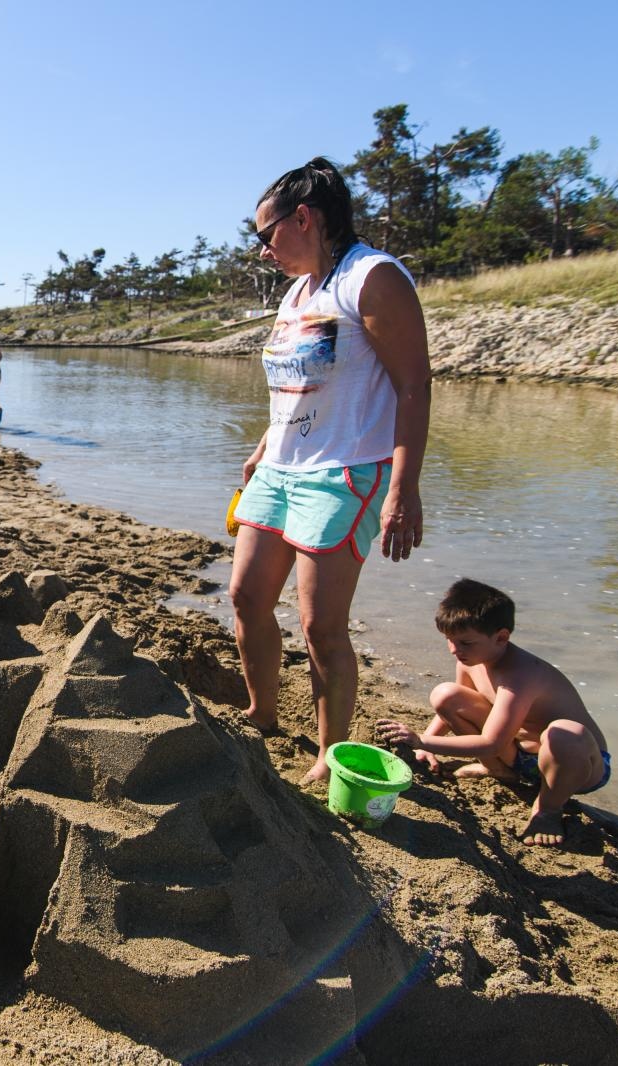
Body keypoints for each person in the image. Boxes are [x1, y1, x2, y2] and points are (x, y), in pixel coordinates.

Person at [228, 156, 432, 784]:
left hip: (344, 473)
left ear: (304, 218)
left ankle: (328, 754)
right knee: (246, 597)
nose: (263, 250)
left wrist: (403, 488)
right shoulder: (299, 291)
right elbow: (299, 386)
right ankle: (262, 713)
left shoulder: (372, 277)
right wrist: (265, 445)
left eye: (266, 235)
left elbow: (414, 386)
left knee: (320, 625)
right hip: (280, 468)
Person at [376, 579, 609, 847]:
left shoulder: (521, 675)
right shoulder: (470, 659)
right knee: (446, 694)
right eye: (449, 640)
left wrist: (421, 740)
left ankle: (548, 809)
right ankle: (497, 770)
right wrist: (428, 742)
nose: (454, 650)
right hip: (518, 757)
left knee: (565, 734)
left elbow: (492, 743)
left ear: (501, 637)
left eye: (465, 642)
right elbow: (455, 708)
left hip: (575, 766)